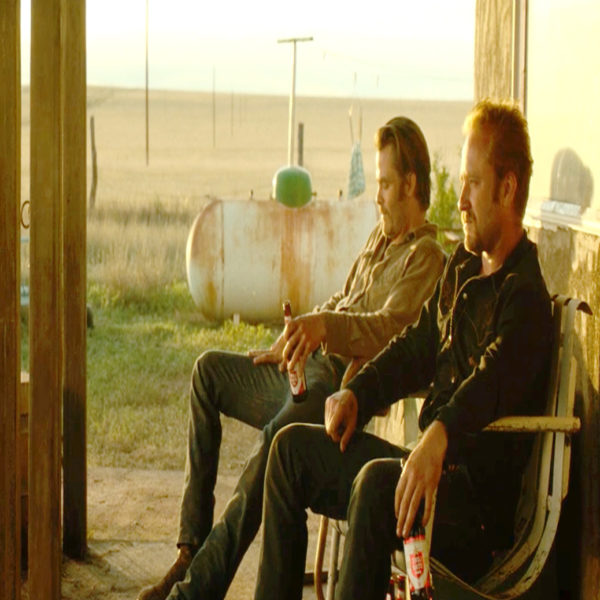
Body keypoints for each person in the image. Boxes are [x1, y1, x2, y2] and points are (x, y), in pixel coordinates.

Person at [253, 100, 554, 600]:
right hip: (426, 474)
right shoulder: (463, 267)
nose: (461, 200)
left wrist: (438, 435)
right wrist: (359, 394)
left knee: (376, 485)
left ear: (507, 189)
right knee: (290, 453)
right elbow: (417, 346)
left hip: (473, 514)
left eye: (473, 184)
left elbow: (490, 381)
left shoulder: (524, 297)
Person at [137, 116, 445, 600]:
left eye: (385, 184)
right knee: (207, 373)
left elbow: (389, 330)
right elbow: (342, 300)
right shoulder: (378, 239)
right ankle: (190, 550)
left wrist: (326, 329)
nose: (377, 196)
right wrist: (297, 334)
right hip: (305, 368)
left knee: (270, 451)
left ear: (410, 184)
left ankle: (194, 591)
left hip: (331, 389)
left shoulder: (426, 257)